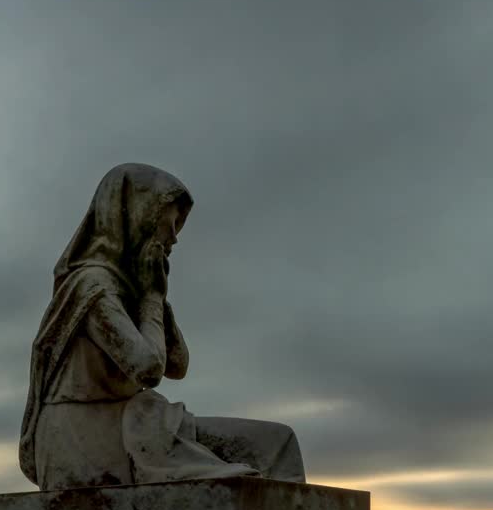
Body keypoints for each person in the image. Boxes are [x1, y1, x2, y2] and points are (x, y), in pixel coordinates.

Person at [18, 163, 305, 490]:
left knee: (277, 442)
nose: (172, 239)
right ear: (135, 220)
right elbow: (148, 369)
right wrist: (152, 299)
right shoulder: (92, 285)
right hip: (86, 440)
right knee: (244, 475)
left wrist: (155, 298)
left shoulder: (128, 287)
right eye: (167, 226)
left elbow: (178, 364)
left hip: (134, 425)